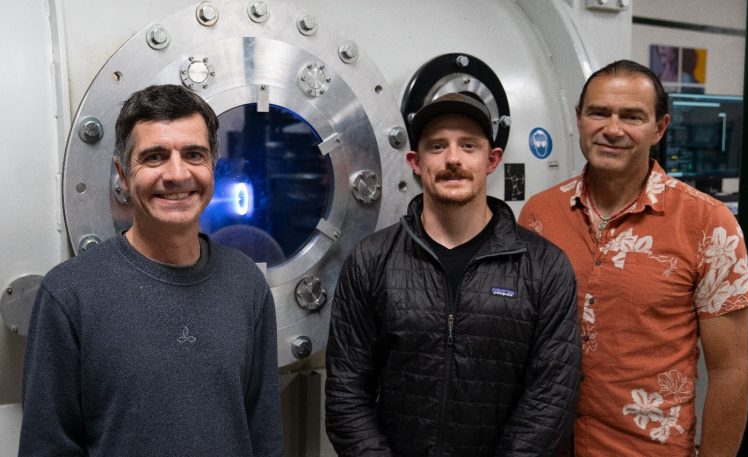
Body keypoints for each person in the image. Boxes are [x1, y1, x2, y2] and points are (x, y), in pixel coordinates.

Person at [19, 84, 283, 456]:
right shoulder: (69, 295)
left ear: (212, 166)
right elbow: (46, 447)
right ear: (123, 175)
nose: (176, 174)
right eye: (155, 157)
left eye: (194, 154)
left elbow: (265, 437)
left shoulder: (245, 284)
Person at [519, 60, 748, 456]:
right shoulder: (539, 216)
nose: (613, 129)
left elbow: (731, 370)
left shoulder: (707, 223)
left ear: (659, 127)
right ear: (579, 118)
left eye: (632, 116)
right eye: (599, 113)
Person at [325, 92, 580, 456]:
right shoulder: (372, 260)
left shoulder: (544, 266)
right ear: (415, 162)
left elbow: (550, 399)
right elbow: (346, 393)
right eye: (437, 146)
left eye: (468, 145)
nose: (453, 159)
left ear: (492, 160)